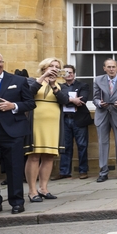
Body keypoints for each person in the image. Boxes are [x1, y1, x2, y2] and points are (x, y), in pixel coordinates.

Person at [0, 52, 36, 215]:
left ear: (3, 62)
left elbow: (30, 103)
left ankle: (17, 202)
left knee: (14, 168)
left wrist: (13, 106)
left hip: (12, 131)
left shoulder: (18, 80)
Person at [25, 58, 69, 202]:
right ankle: (32, 191)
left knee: (49, 156)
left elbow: (64, 100)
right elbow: (28, 94)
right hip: (36, 121)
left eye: (57, 67)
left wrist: (53, 86)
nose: (55, 69)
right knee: (34, 156)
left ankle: (43, 188)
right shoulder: (33, 81)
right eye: (52, 66)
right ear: (44, 67)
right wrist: (43, 78)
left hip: (53, 123)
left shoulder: (60, 85)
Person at [93, 58, 117, 182]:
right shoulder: (98, 80)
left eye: (113, 67)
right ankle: (103, 172)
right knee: (103, 144)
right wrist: (99, 103)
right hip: (102, 114)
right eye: (108, 67)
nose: (111, 69)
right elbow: (94, 98)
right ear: (104, 68)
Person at [55, 64, 94, 180]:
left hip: (79, 119)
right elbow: (57, 100)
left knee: (82, 145)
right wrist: (72, 100)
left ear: (74, 74)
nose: (69, 74)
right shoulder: (58, 86)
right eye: (66, 72)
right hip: (65, 119)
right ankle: (64, 171)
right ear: (62, 75)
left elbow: (83, 101)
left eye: (70, 72)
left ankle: (83, 171)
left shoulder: (83, 85)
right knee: (65, 146)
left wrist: (65, 99)